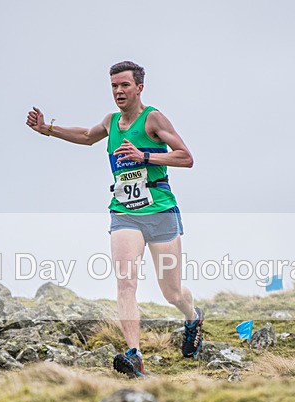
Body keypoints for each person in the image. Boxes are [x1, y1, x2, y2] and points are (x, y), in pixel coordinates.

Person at [25, 60, 203, 377]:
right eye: (114, 86)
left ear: (139, 88)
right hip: (124, 212)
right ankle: (135, 355)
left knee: (172, 293)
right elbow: (86, 135)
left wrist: (143, 155)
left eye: (124, 85)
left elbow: (185, 157)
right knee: (126, 283)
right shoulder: (111, 122)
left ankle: (192, 317)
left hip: (160, 211)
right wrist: (47, 129)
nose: (118, 91)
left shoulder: (153, 119)